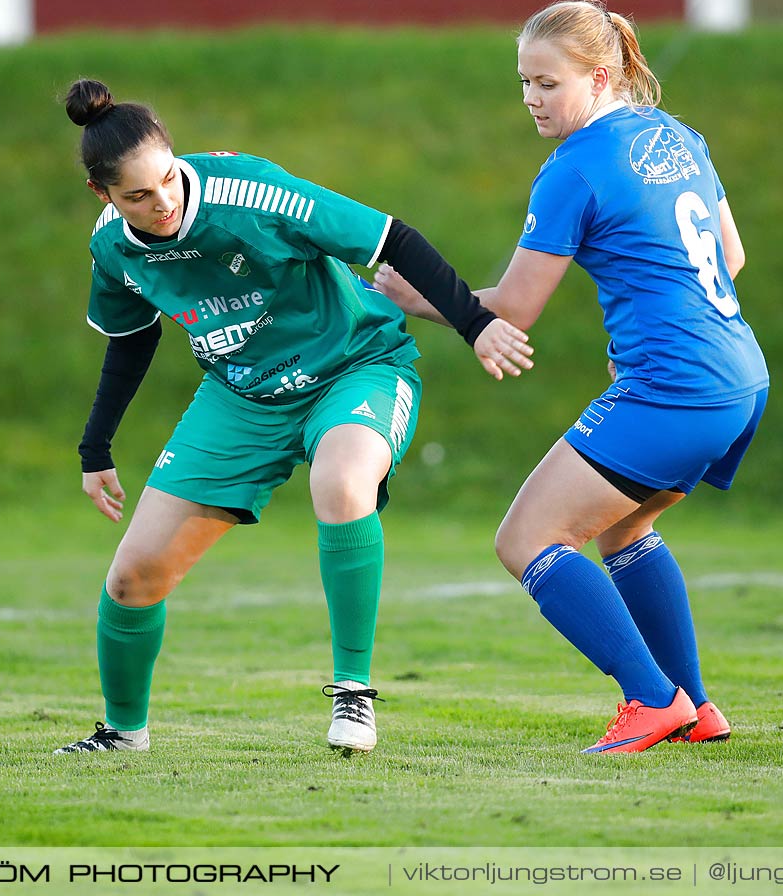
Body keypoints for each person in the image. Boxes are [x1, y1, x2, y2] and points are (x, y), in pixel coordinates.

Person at [54, 79, 533, 756]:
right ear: (102, 195)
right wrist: (95, 447)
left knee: (340, 485)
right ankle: (123, 732)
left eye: (166, 179)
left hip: (353, 365)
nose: (160, 202)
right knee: (133, 577)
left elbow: (392, 238)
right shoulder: (113, 247)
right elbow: (131, 340)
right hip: (242, 395)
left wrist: (476, 324)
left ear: (174, 156)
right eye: (137, 195)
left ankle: (353, 694)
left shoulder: (252, 194)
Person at [375, 0, 768, 755]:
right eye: (523, 82)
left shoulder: (574, 168)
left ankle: (652, 700)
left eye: (547, 83)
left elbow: (515, 306)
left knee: (526, 538)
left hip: (678, 387)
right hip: (740, 375)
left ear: (598, 75)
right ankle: (697, 705)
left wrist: (408, 296)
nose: (531, 98)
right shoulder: (679, 136)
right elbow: (733, 257)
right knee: (625, 526)